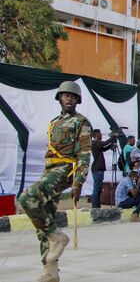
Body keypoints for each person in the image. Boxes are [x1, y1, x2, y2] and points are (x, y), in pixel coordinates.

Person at [18, 81, 92, 282]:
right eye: (66, 95)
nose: (69, 98)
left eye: (73, 96)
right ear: (60, 98)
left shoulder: (81, 122)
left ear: (77, 100)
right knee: (43, 220)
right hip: (50, 170)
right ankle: (50, 270)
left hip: (65, 170)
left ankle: (56, 236)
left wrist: (78, 182)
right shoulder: (53, 122)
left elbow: (85, 154)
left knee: (27, 198)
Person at [91, 129, 116, 208]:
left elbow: (104, 148)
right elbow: (105, 143)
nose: (101, 135)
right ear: (96, 135)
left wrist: (110, 145)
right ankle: (95, 206)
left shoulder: (96, 144)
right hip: (98, 169)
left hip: (98, 169)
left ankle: (97, 205)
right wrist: (113, 136)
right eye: (100, 134)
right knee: (97, 188)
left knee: (98, 188)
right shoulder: (95, 142)